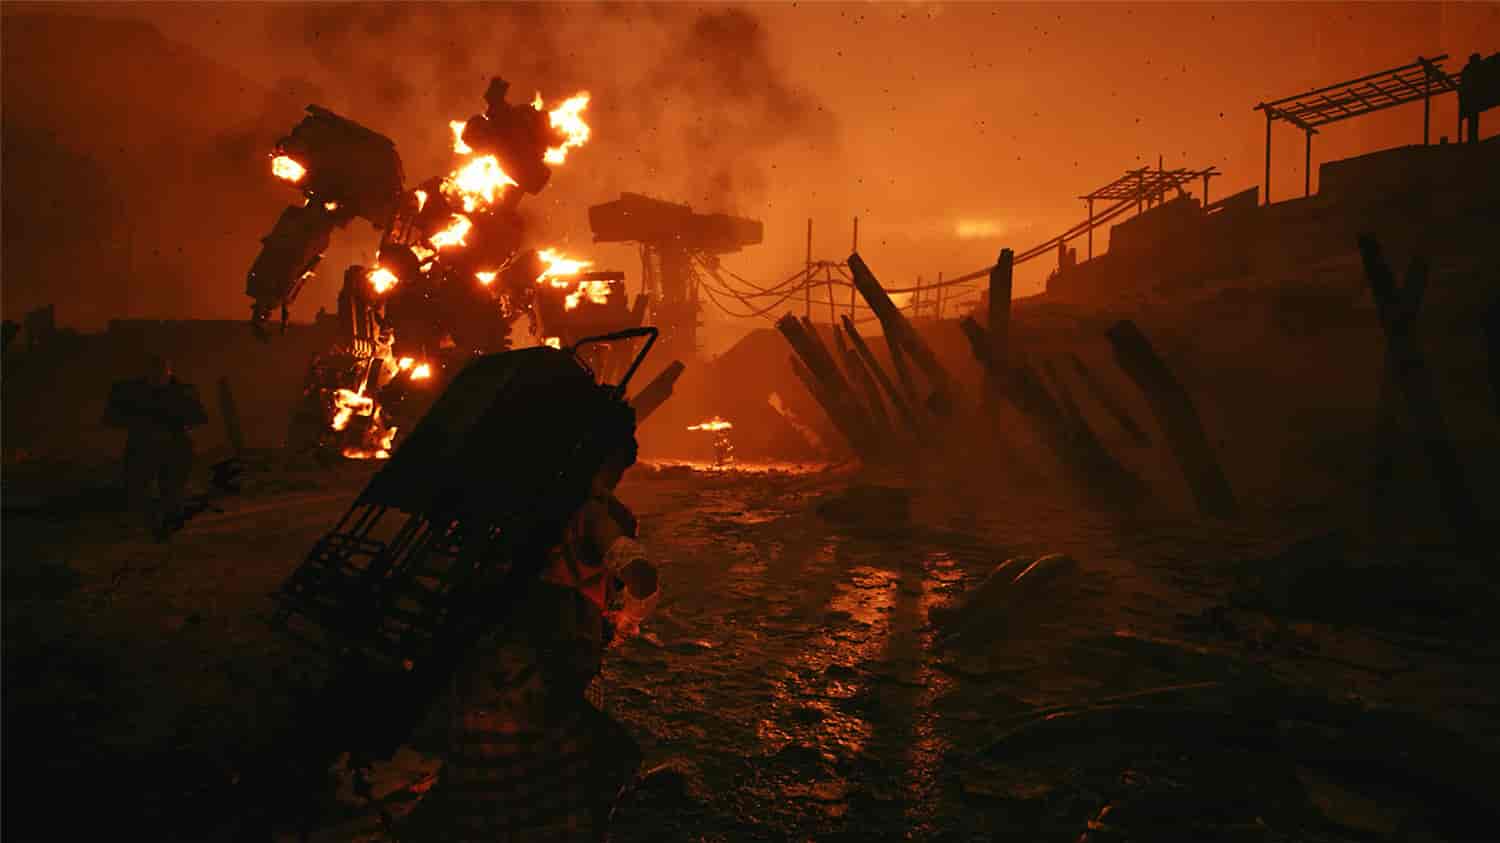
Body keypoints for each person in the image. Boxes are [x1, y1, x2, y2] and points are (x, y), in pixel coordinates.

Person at [402, 394, 660, 842]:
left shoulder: (514, 505)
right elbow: (639, 572)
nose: (615, 482)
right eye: (615, 471)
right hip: (535, 695)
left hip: (479, 689)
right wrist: (631, 605)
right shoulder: (590, 513)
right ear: (606, 460)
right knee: (604, 767)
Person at [103, 355, 207, 540]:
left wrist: (177, 419)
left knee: (172, 491)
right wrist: (139, 421)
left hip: (174, 447)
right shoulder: (133, 392)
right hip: (143, 447)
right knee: (141, 491)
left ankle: (167, 527)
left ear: (169, 371)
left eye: (162, 371)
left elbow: (198, 416)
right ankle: (152, 527)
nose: (158, 376)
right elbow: (112, 417)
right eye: (154, 372)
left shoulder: (182, 391)